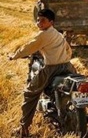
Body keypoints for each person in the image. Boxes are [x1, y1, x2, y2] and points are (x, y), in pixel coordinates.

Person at [8, 9, 76, 138]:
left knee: (30, 93)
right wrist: (63, 59)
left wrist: (14, 56)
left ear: (51, 22)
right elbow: (68, 49)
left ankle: (24, 128)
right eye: (38, 20)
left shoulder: (43, 35)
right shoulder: (58, 34)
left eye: (43, 21)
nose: (39, 23)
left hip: (52, 68)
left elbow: (28, 47)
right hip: (68, 66)